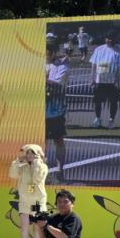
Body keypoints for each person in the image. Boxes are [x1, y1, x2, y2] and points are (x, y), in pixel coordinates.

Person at [9, 144, 48, 238]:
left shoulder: (43, 166)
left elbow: (37, 178)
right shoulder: (23, 166)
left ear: (37, 155)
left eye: (32, 153)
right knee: (24, 227)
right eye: (28, 153)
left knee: (36, 226)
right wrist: (17, 161)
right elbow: (12, 175)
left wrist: (36, 164)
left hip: (36, 201)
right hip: (24, 201)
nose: (29, 155)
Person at [45, 44, 69, 182]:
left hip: (56, 110)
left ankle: (60, 171)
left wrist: (44, 80)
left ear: (54, 53)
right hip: (41, 110)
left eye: (48, 53)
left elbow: (57, 84)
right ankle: (43, 172)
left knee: (58, 140)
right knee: (41, 143)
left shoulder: (62, 67)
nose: (46, 56)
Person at [90, 31, 120, 129]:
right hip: (99, 80)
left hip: (112, 82)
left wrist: (118, 80)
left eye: (111, 38)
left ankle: (111, 120)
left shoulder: (118, 50)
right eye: (107, 38)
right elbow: (93, 64)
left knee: (113, 102)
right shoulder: (98, 49)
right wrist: (92, 78)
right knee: (98, 101)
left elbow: (119, 67)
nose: (109, 40)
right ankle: (98, 118)